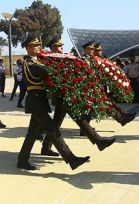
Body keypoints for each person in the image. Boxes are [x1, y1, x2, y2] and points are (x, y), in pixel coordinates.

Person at [17, 35, 90, 171]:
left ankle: (22, 160)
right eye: (36, 45)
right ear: (28, 48)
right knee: (52, 129)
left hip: (39, 101)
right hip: (36, 102)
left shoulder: (36, 61)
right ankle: (71, 159)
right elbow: (47, 71)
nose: (39, 47)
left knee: (32, 133)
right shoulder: (30, 63)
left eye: (39, 45)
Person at [41, 38, 115, 156]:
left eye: (61, 46)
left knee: (56, 123)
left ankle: (46, 146)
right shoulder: (50, 58)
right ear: (53, 47)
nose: (61, 48)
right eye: (59, 46)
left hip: (66, 95)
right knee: (79, 118)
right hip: (62, 95)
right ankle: (98, 141)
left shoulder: (62, 58)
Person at [93, 42, 136, 126]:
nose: (101, 51)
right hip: (96, 86)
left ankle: (123, 114)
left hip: (102, 85)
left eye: (101, 50)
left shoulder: (102, 59)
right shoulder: (94, 60)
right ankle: (121, 118)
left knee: (109, 102)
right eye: (99, 50)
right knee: (106, 104)